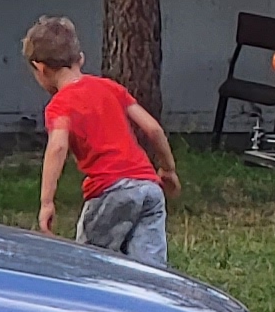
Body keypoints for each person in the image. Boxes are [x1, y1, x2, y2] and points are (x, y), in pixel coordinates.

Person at [26, 15, 177, 265]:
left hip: (110, 191)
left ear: (40, 68)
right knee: (149, 270)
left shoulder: (60, 105)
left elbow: (58, 146)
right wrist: (168, 169)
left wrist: (47, 202)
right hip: (149, 188)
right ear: (80, 59)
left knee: (90, 265)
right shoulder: (110, 88)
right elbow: (153, 129)